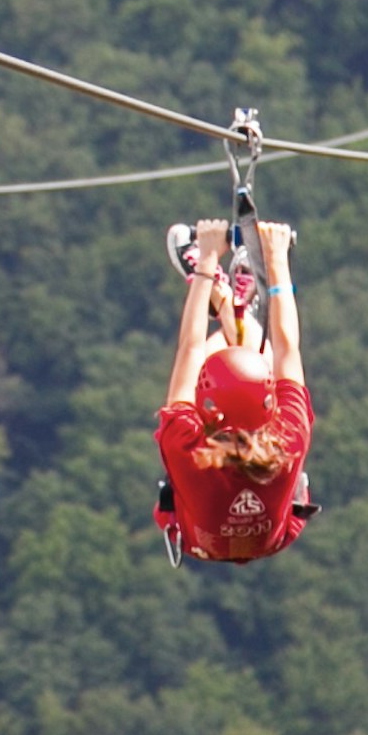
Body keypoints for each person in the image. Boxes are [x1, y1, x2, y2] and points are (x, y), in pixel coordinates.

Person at [152, 213, 312, 564]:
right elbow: (191, 350)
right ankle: (228, 305)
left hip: (217, 539)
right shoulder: (185, 446)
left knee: (251, 354)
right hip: (236, 538)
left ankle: (227, 302)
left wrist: (276, 260)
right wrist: (207, 262)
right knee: (233, 354)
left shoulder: (290, 436)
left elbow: (284, 350)